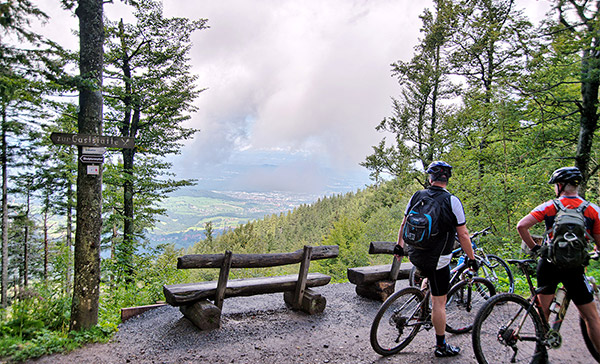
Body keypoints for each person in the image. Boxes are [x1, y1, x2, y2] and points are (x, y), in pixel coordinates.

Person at [394, 161, 478, 358]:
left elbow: (404, 222)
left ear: (430, 178)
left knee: (428, 276)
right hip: (438, 258)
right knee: (440, 302)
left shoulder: (417, 195)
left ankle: (422, 306)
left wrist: (399, 246)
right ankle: (441, 345)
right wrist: (471, 258)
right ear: (447, 179)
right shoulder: (452, 201)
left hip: (415, 253)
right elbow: (464, 235)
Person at [517, 166, 600, 353]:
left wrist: (535, 248)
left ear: (560, 186)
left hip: (548, 265)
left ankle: (540, 353)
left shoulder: (550, 206)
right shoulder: (592, 210)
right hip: (575, 268)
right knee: (591, 318)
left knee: (542, 314)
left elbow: (521, 226)